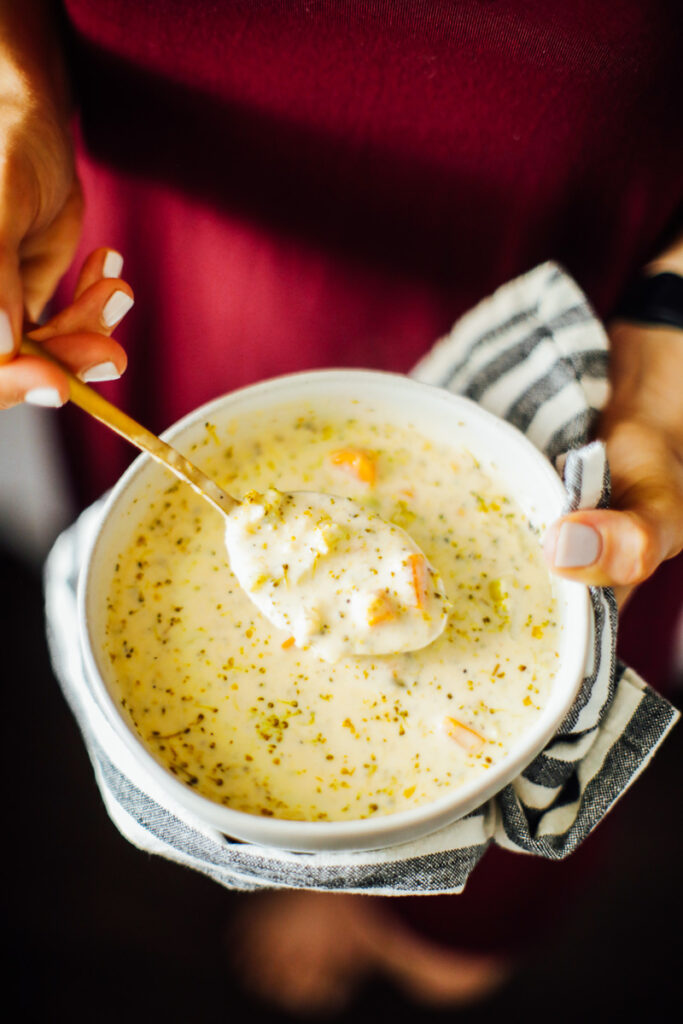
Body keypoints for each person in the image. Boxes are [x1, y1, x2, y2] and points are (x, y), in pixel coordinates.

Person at [1, 0, 681, 1012]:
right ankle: (337, 879)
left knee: (469, 929)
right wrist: (18, 99)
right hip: (177, 259)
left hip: (590, 296)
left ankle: (425, 917)